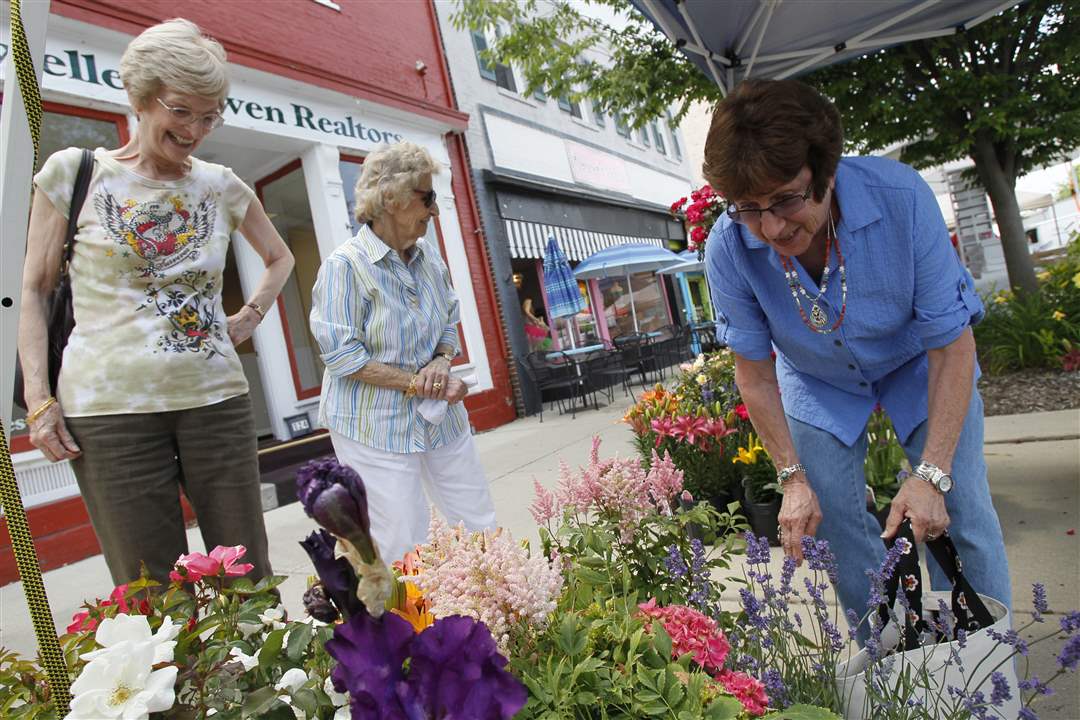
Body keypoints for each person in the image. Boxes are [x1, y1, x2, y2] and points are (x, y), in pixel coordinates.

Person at [702, 80, 1011, 636]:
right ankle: (895, 660)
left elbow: (952, 344)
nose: (770, 228)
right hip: (815, 376)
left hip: (918, 360)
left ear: (825, 171)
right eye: (748, 208)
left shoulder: (901, 198)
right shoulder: (728, 246)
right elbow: (755, 374)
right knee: (834, 527)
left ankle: (986, 662)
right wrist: (792, 479)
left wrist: (931, 475)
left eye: (786, 200)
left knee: (959, 511)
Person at [18, 19, 294, 586]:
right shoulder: (74, 174)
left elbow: (280, 257)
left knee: (247, 577)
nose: (195, 129)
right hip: (109, 412)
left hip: (215, 401)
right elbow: (35, 290)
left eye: (211, 116)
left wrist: (251, 314)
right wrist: (39, 400)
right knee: (151, 590)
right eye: (182, 110)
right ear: (140, 98)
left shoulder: (220, 184)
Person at [310, 141, 497, 564]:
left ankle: (497, 598)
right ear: (390, 197)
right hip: (373, 422)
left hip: (439, 414)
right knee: (405, 540)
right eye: (426, 197)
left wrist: (441, 361)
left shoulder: (429, 257)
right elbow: (343, 356)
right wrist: (418, 383)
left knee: (478, 520)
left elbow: (448, 319)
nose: (434, 210)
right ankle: (422, 609)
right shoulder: (345, 266)